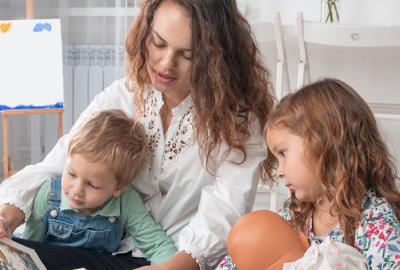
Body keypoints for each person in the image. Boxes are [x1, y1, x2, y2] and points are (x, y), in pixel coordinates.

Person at [0, 0, 275, 269]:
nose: (167, 63)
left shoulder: (237, 123)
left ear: (215, 58)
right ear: (145, 34)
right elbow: (60, 165)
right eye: (158, 43)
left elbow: (225, 211)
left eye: (187, 55)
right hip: (96, 250)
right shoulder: (123, 95)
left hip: (172, 261)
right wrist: (6, 219)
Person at [217, 78, 400, 270]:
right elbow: (240, 259)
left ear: (323, 143)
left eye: (283, 153)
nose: (279, 172)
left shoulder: (373, 219)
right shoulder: (296, 213)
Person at [21, 109, 177, 265]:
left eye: (92, 185)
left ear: (119, 188)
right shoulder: (48, 195)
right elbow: (28, 247)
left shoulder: (126, 201)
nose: (76, 190)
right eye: (72, 174)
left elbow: (156, 244)